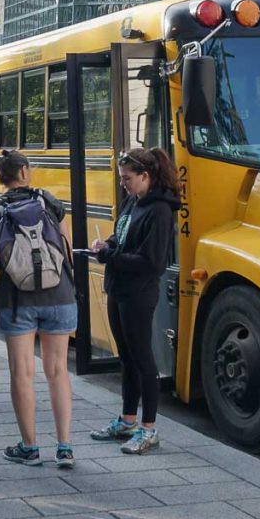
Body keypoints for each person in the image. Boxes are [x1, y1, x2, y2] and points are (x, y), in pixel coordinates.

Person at [0, 150, 77, 468]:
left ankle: (30, 447)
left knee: (22, 373)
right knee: (58, 371)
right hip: (59, 294)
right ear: (24, 172)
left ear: (1, 176)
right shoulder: (48, 201)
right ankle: (64, 447)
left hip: (16, 299)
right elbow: (65, 246)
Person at [90, 147, 180, 455]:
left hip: (139, 293)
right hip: (118, 288)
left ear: (146, 176)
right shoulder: (133, 201)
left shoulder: (160, 210)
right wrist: (108, 244)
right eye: (121, 179)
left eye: (127, 179)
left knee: (143, 360)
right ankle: (127, 419)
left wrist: (111, 255)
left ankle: (149, 428)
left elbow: (151, 262)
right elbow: (123, 236)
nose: (123, 185)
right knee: (126, 358)